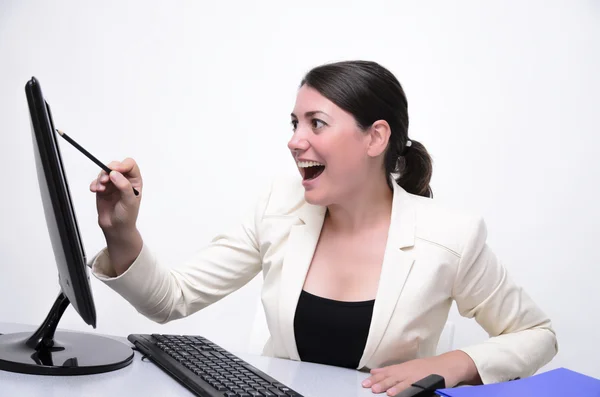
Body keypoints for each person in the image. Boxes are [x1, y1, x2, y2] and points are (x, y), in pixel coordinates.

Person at [89, 60, 558, 396]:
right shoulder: (278, 207)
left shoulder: (451, 236)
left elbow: (537, 334)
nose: (295, 141)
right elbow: (171, 300)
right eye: (295, 123)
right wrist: (122, 230)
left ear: (375, 137)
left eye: (317, 123)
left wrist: (451, 364)